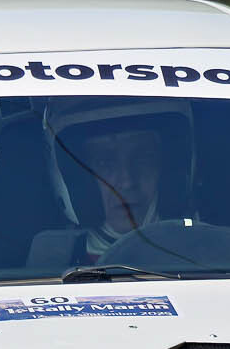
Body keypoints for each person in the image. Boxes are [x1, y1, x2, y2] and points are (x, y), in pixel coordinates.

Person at [26, 101, 190, 269]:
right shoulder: (51, 263)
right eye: (105, 163)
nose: (127, 182)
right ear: (78, 179)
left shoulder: (199, 251)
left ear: (167, 170)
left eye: (142, 159)